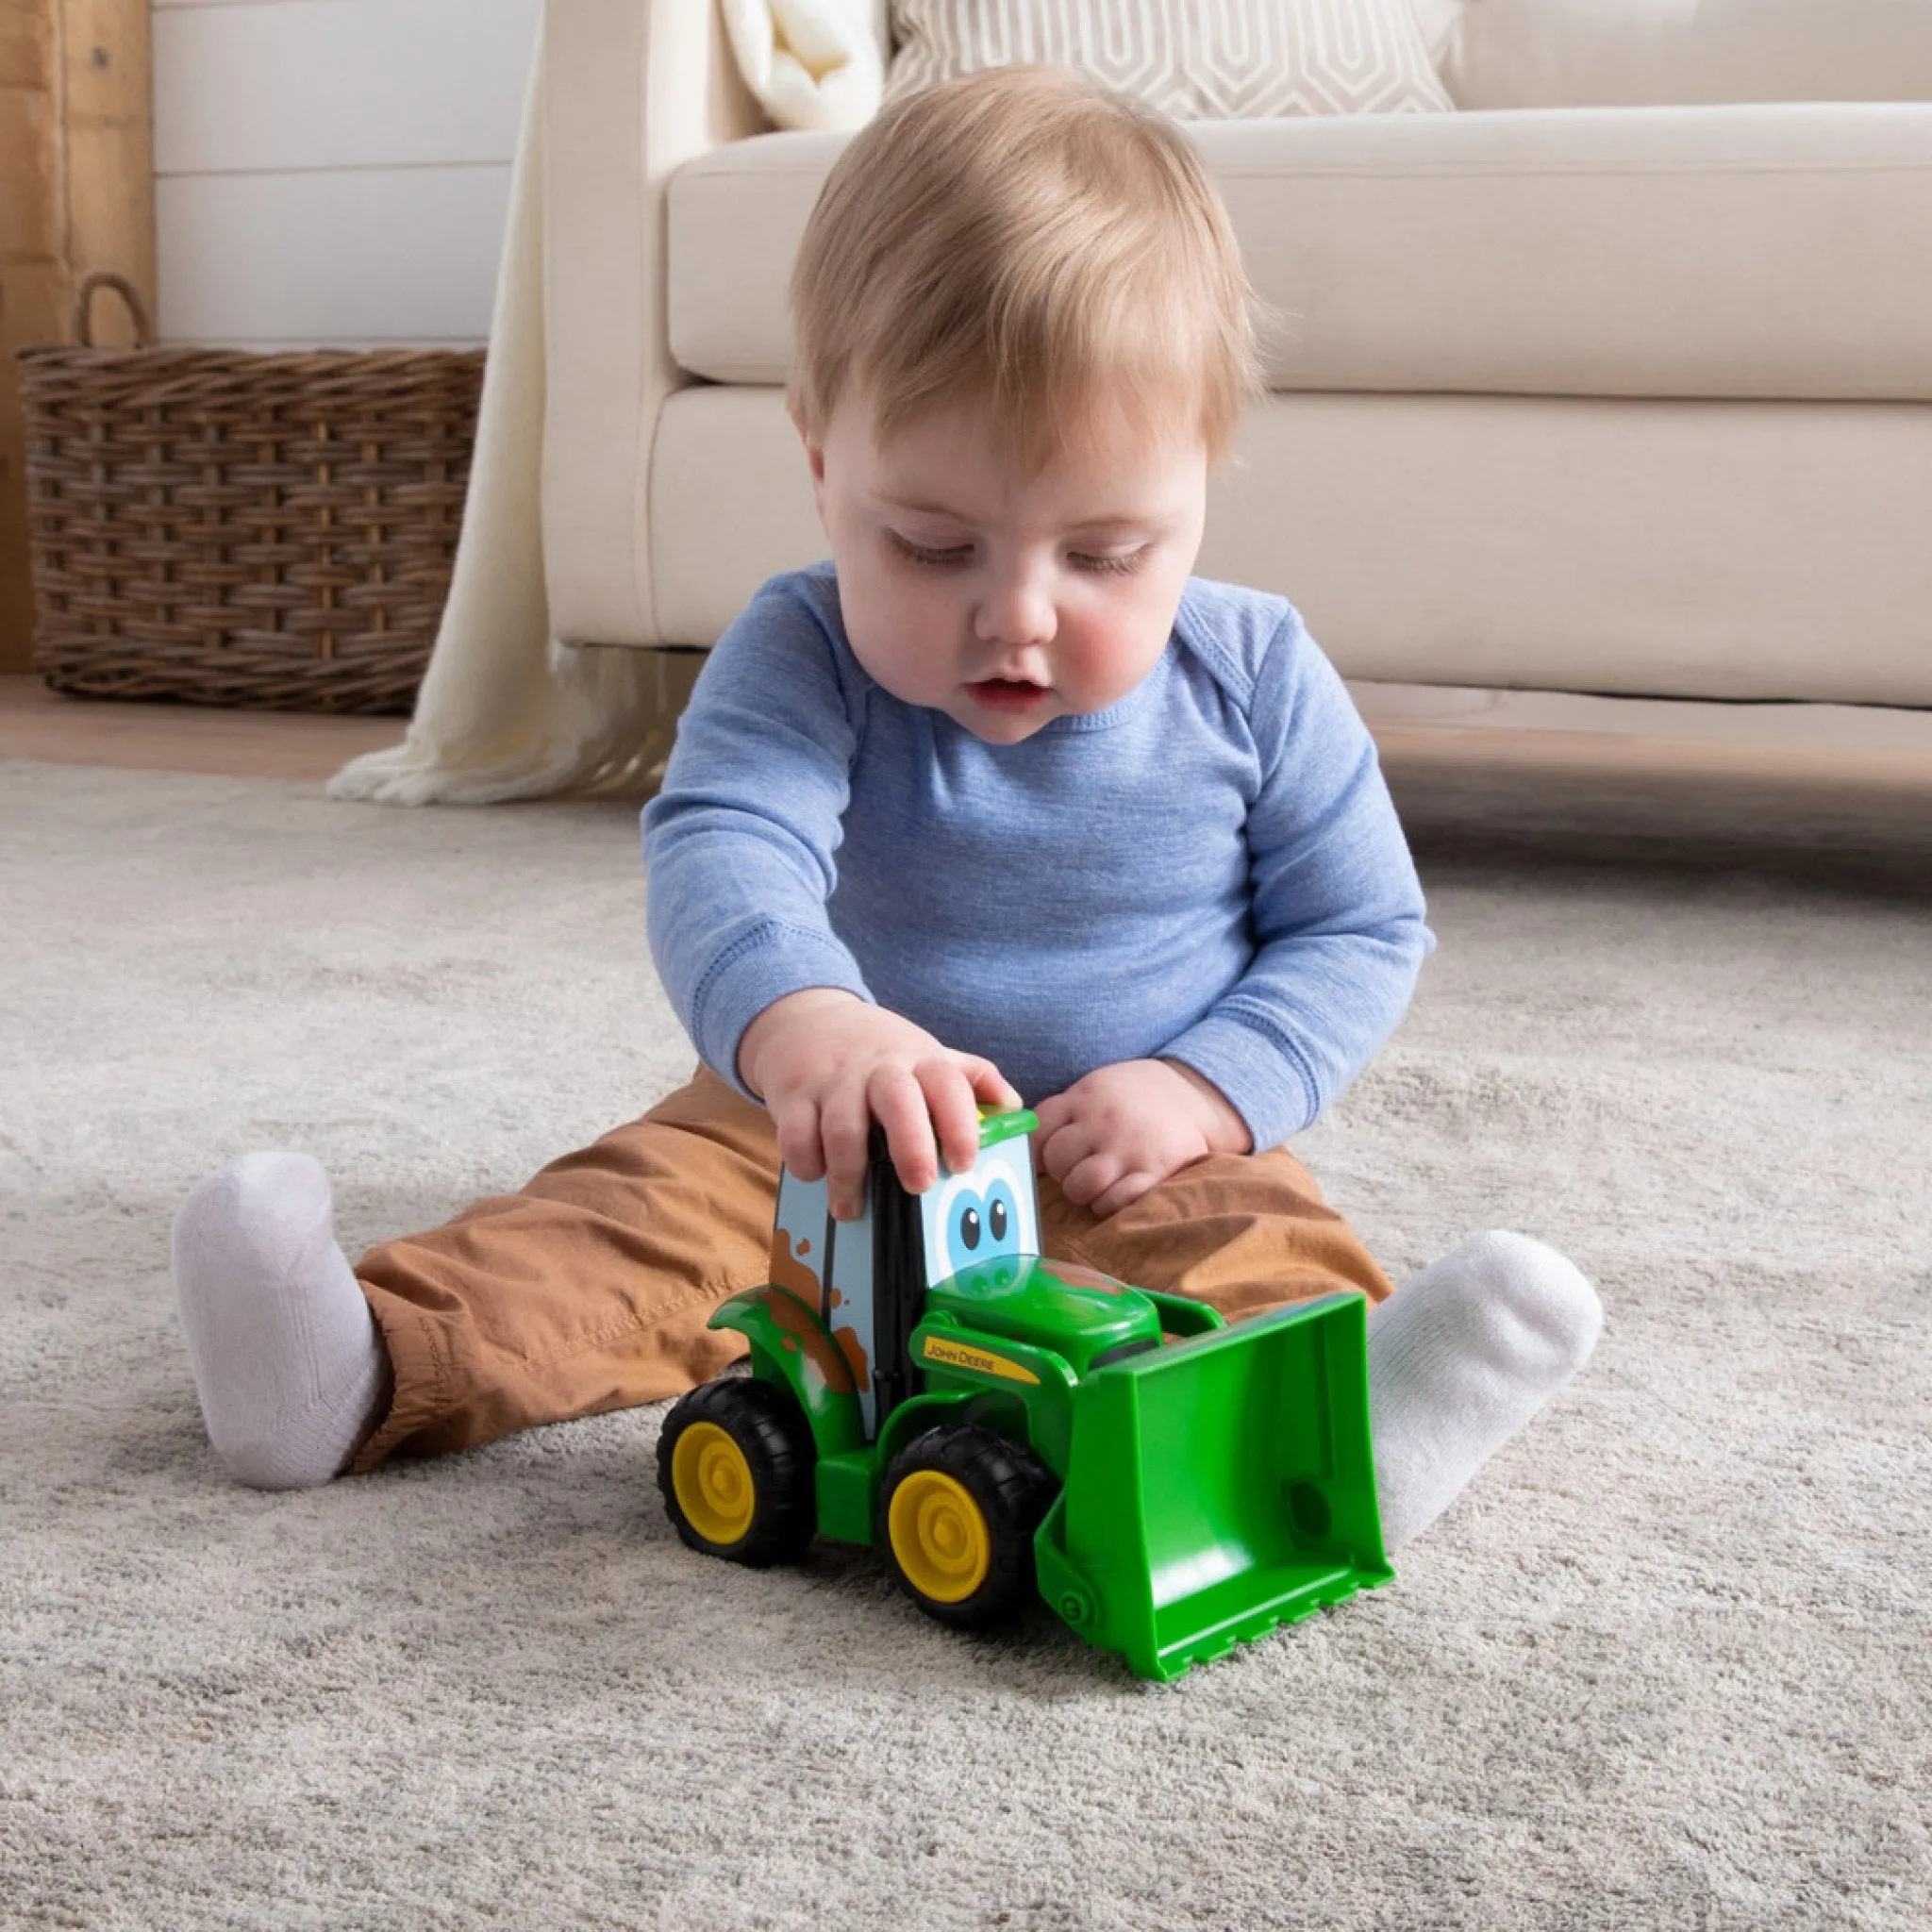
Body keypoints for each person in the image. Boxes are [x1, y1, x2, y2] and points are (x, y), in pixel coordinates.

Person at [173, 65, 1600, 1551]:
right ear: (819, 467)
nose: (1019, 619)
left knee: (1262, 1254)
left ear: (1202, 487)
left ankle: (1338, 1438)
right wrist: (811, 1027)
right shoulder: (799, 654)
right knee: (631, 1223)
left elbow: (1363, 927)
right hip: (824, 1147)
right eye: (932, 545)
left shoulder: (1259, 676)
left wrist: (1208, 1088)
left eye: (1108, 555)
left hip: (1145, 1150)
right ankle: (355, 1369)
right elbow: (727, 847)